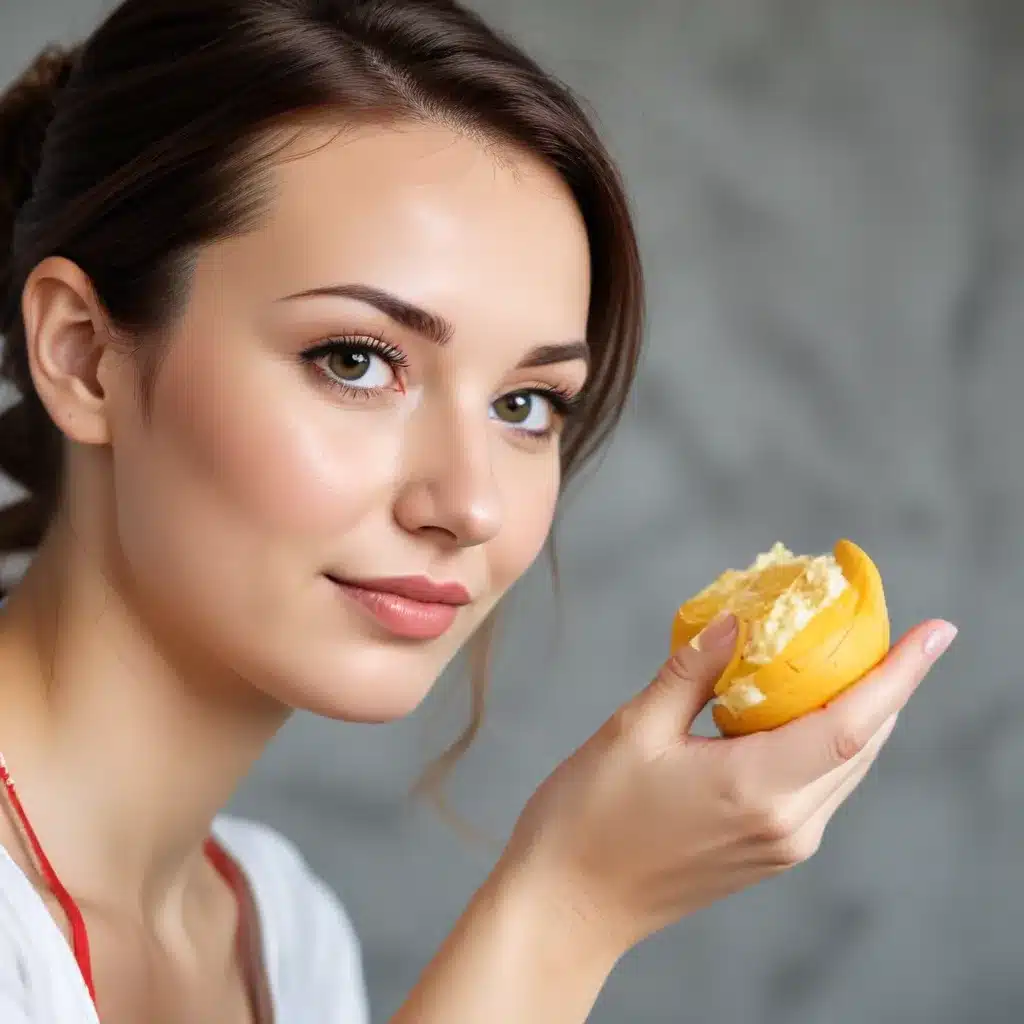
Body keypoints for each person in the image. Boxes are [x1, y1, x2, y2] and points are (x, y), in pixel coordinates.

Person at [0, 1, 957, 1021]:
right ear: (84, 356)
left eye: (523, 405)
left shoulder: (278, 927)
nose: (468, 504)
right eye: (357, 360)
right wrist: (567, 906)